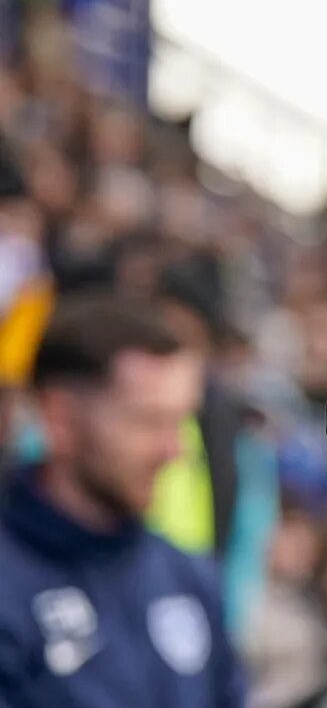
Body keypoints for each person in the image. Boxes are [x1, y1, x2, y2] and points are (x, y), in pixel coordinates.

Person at [0, 293, 247, 706]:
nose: (175, 451)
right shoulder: (11, 583)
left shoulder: (188, 578)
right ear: (61, 417)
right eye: (149, 421)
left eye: (183, 421)